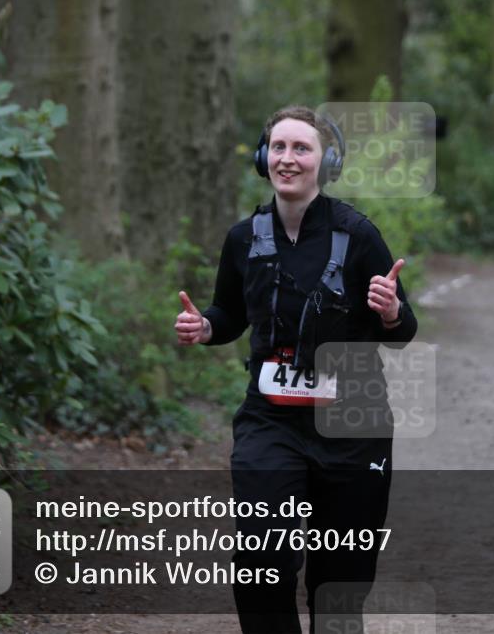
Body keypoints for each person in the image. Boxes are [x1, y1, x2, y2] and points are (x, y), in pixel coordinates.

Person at [174, 105, 417, 634]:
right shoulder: (244, 239)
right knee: (261, 562)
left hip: (353, 425)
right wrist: (206, 328)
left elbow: (404, 332)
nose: (287, 159)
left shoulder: (359, 236)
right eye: (278, 148)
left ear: (325, 162)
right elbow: (231, 313)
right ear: (264, 159)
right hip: (272, 422)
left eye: (300, 148)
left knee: (339, 584)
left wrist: (390, 310)